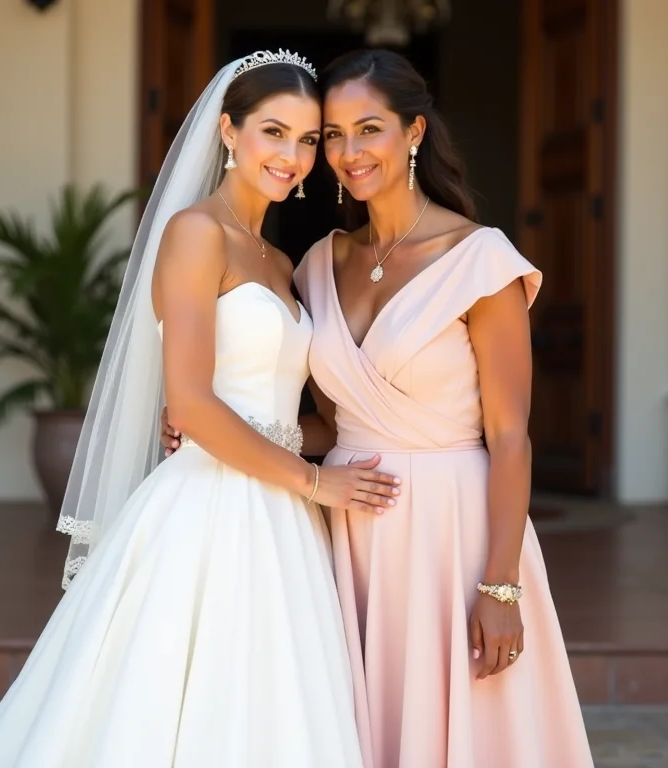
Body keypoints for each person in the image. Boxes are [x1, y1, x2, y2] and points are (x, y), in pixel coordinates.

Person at [0, 51, 405, 768]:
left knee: (273, 706)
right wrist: (317, 481)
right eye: (273, 132)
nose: (293, 156)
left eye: (309, 139)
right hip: (210, 509)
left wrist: (374, 435)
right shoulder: (196, 234)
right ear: (228, 132)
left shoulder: (281, 264)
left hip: (283, 522)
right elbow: (192, 403)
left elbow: (298, 418)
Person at [161, 48, 594, 768]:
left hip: (452, 534)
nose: (348, 152)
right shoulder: (318, 262)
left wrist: (502, 585)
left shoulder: (481, 259)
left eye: (370, 129)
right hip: (344, 533)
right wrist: (207, 420)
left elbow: (512, 438)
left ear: (414, 133)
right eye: (331, 135)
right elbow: (326, 424)